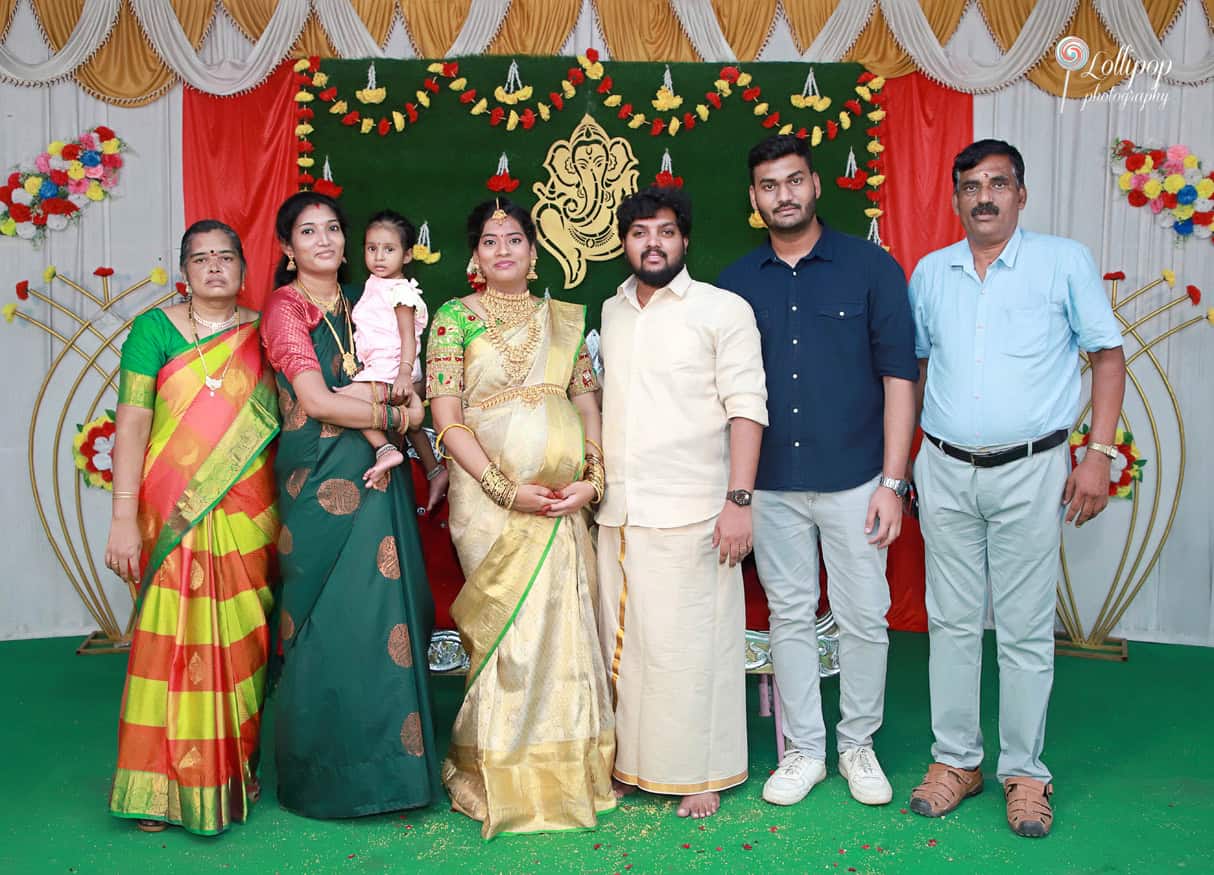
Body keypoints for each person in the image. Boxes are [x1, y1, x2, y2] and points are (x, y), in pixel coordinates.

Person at [907, 139, 1126, 837]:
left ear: (1022, 194)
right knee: (950, 621)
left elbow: (1108, 357)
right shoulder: (931, 272)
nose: (984, 196)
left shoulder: (1064, 261)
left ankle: (1025, 771)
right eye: (971, 185)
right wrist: (907, 459)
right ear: (955, 198)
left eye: (998, 183)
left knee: (1027, 628)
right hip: (942, 466)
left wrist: (1096, 455)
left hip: (1034, 467)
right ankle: (957, 760)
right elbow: (914, 371)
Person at [717, 134, 918, 808]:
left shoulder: (871, 268)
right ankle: (804, 749)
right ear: (754, 199)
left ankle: (857, 742)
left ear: (815, 185)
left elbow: (899, 377)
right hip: (770, 483)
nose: (784, 195)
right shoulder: (737, 284)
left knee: (865, 617)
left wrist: (893, 482)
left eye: (794, 181)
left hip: (858, 477)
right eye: (770, 185)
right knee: (789, 616)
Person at [428, 197, 615, 839]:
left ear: (536, 254)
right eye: (488, 240)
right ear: (474, 256)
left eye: (514, 239)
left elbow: (587, 402)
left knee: (563, 629)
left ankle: (569, 773)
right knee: (507, 633)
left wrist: (593, 480)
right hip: (487, 502)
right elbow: (447, 418)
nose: (502, 248)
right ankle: (497, 774)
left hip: (564, 502)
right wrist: (505, 488)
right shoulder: (453, 318)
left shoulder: (562, 318)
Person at [260, 191, 442, 819]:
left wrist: (424, 445)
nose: (325, 241)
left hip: (378, 476)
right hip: (317, 484)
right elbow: (317, 402)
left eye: (334, 228)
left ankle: (395, 774)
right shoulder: (286, 309)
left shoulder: (367, 299)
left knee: (387, 611)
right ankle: (328, 777)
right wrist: (400, 412)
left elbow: (406, 377)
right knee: (329, 621)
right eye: (308, 232)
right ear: (287, 249)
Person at [597, 186, 768, 819]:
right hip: (618, 510)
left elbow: (748, 407)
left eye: (665, 232)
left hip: (697, 509)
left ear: (685, 239)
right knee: (629, 648)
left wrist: (739, 501)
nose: (653, 244)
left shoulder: (723, 310)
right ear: (623, 243)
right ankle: (631, 766)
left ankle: (702, 771)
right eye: (640, 233)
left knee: (695, 649)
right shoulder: (612, 311)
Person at [106, 220, 279, 835]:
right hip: (168, 510)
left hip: (246, 512)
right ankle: (156, 787)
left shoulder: (266, 331)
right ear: (184, 272)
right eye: (200, 258)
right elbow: (131, 423)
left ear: (242, 268)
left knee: (242, 641)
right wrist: (123, 515)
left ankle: (229, 774)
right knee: (166, 642)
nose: (213, 267)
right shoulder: (152, 330)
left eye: (224, 257)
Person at [351, 209, 429, 483]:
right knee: (407, 427)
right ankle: (433, 470)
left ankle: (384, 449)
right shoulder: (374, 285)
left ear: (407, 255)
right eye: (372, 248)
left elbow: (409, 336)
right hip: (378, 365)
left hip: (393, 366)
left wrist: (405, 374)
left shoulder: (400, 291)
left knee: (345, 400)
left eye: (389, 249)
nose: (379, 256)